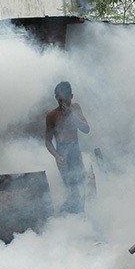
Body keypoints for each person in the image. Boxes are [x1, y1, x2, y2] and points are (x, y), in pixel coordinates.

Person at [45, 81, 90, 213]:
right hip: (62, 151)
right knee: (70, 184)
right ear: (56, 99)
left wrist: (72, 115)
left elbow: (86, 129)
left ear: (71, 96)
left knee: (80, 182)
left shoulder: (75, 108)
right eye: (60, 101)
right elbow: (48, 141)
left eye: (66, 100)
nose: (64, 104)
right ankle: (72, 213)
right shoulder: (52, 116)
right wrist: (56, 155)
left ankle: (80, 212)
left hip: (75, 149)